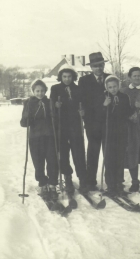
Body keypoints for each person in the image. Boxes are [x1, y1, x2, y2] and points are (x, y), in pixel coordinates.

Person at [50, 64, 87, 194]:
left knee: (79, 153)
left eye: (69, 76)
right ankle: (68, 178)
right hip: (61, 126)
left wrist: (83, 112)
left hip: (75, 126)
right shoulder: (55, 89)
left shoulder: (78, 89)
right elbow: (51, 108)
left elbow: (84, 105)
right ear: (60, 77)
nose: (67, 79)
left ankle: (83, 179)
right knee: (64, 154)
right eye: (64, 76)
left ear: (73, 77)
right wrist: (55, 105)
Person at [95, 75, 133, 196]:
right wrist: (104, 105)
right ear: (106, 87)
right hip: (108, 132)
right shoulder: (103, 97)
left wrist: (133, 112)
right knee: (109, 158)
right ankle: (110, 184)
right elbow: (98, 116)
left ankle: (118, 183)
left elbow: (127, 112)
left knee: (120, 158)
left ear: (119, 85)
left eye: (115, 86)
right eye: (110, 87)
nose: (113, 89)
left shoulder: (124, 97)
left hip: (121, 131)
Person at [20, 79, 58, 200]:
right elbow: (23, 123)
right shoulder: (29, 103)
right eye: (37, 91)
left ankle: (52, 184)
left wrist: (56, 110)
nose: (40, 93)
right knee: (38, 162)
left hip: (49, 136)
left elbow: (56, 118)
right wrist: (26, 118)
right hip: (35, 137)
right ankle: (42, 183)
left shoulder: (49, 102)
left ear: (45, 91)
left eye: (42, 91)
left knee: (52, 161)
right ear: (33, 91)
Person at [78, 52, 110, 190]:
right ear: (91, 67)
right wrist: (85, 117)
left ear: (104, 65)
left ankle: (112, 181)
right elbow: (83, 101)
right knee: (93, 152)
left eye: (100, 65)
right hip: (92, 123)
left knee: (109, 152)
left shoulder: (110, 78)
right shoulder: (84, 81)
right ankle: (90, 181)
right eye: (95, 66)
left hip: (108, 122)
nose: (98, 68)